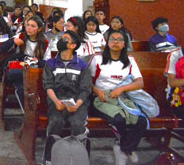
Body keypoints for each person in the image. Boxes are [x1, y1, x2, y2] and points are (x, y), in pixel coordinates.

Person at [89, 30, 145, 165]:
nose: (115, 42)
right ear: (107, 43)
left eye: (119, 39)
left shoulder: (130, 60)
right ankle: (127, 150)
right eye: (112, 39)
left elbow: (140, 83)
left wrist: (122, 89)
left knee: (141, 121)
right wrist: (97, 91)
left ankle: (123, 149)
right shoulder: (97, 59)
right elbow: (87, 82)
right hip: (102, 98)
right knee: (119, 120)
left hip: (123, 97)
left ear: (124, 44)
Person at [42, 31, 91, 138]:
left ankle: (78, 149)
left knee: (77, 123)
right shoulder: (51, 63)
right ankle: (50, 151)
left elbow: (85, 89)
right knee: (56, 121)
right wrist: (56, 101)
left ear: (73, 46)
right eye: (61, 38)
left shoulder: (81, 65)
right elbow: (48, 85)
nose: (61, 41)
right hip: (57, 100)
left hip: (77, 101)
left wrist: (76, 105)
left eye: (65, 39)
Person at [0, 16, 50, 106]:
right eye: (28, 25)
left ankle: (33, 112)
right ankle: (28, 112)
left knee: (26, 87)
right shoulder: (21, 36)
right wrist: (13, 41)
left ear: (39, 29)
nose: (29, 28)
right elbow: (2, 49)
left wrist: (37, 61)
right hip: (20, 68)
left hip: (35, 71)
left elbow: (47, 63)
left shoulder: (44, 42)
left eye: (33, 26)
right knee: (20, 83)